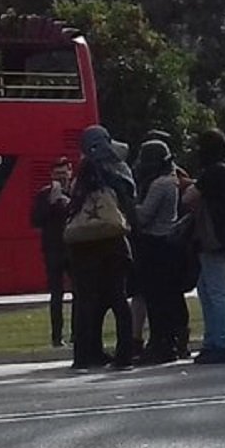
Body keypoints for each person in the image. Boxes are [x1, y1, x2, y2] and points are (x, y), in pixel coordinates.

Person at [65, 126, 137, 370]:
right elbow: (129, 207)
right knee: (118, 299)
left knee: (86, 302)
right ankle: (124, 353)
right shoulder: (119, 170)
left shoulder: (82, 174)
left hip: (84, 248)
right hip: (113, 243)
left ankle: (86, 353)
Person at [185, 128, 225, 364]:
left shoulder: (213, 172)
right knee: (209, 289)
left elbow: (189, 197)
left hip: (213, 237)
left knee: (215, 291)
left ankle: (223, 341)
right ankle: (216, 339)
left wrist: (187, 183)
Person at [131, 140, 189, 364]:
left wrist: (128, 206)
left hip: (156, 243)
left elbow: (144, 216)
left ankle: (161, 344)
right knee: (167, 297)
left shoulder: (160, 184)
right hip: (167, 243)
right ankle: (171, 341)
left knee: (157, 299)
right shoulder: (171, 181)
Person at [28, 160, 73, 347]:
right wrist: (51, 203)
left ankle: (78, 334)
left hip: (74, 247)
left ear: (70, 172)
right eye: (57, 174)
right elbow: (35, 220)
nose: (61, 177)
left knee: (79, 292)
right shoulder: (44, 195)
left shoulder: (77, 191)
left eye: (64, 173)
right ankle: (57, 337)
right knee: (56, 295)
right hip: (53, 249)